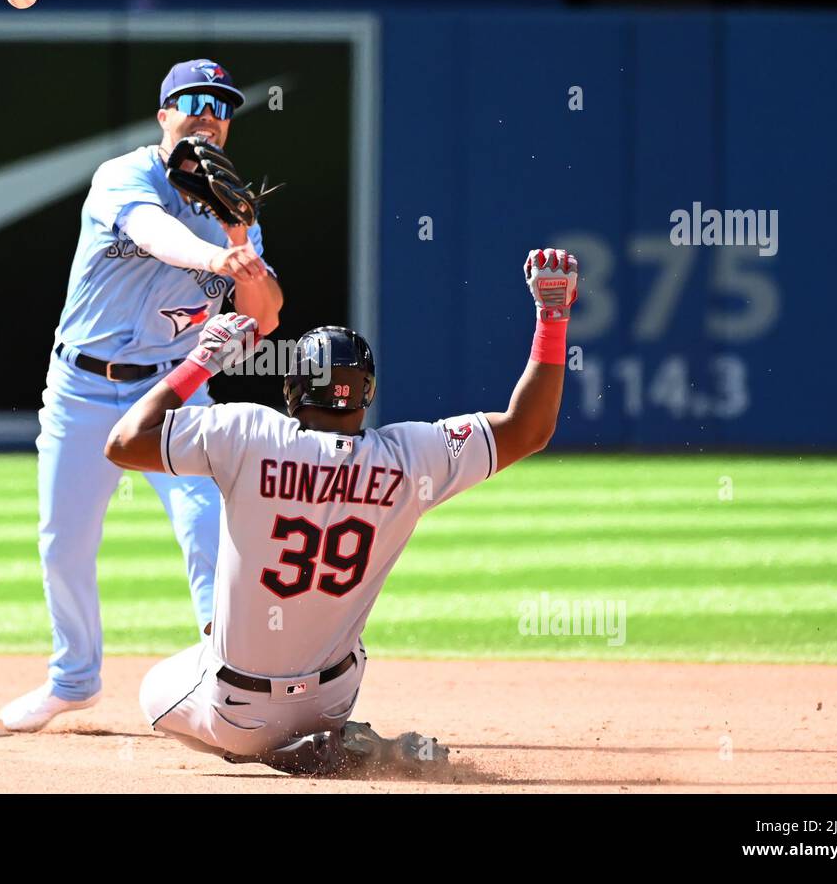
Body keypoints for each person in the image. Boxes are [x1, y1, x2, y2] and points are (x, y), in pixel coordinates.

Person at [104, 249, 579, 774]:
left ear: (292, 389)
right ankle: (318, 739)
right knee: (331, 642)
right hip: (332, 699)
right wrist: (552, 320)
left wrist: (202, 361)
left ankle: (286, 754)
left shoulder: (245, 434)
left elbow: (124, 442)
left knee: (155, 696)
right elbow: (529, 429)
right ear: (368, 393)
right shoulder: (411, 455)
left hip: (237, 707)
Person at [0, 59, 283, 731]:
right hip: (82, 388)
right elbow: (154, 233)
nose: (208, 113)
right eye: (193, 100)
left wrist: (240, 239)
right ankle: (73, 680)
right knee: (63, 542)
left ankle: (228, 673)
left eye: (222, 106)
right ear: (163, 115)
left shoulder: (235, 210)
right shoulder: (124, 177)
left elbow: (265, 315)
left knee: (209, 525)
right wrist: (217, 255)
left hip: (174, 393)